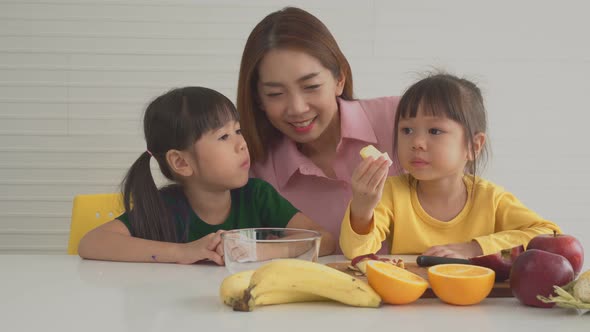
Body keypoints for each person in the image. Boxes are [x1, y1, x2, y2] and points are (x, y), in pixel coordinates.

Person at [78, 87, 335, 264]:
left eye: (238, 131)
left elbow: (324, 240)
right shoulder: (166, 207)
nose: (241, 144)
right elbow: (92, 243)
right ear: (181, 162)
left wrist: (260, 250)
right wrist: (183, 253)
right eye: (223, 136)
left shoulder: (256, 196)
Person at [340, 73, 562, 259]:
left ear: (473, 145)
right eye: (407, 130)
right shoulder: (390, 192)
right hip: (411, 302)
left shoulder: (491, 199)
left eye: (435, 131)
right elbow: (356, 252)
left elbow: (550, 236)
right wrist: (362, 208)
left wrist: (474, 248)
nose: (416, 143)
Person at [236, 7, 400, 253]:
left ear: (339, 80)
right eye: (275, 94)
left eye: (311, 86)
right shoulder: (250, 169)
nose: (297, 108)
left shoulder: (405, 123)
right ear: (258, 99)